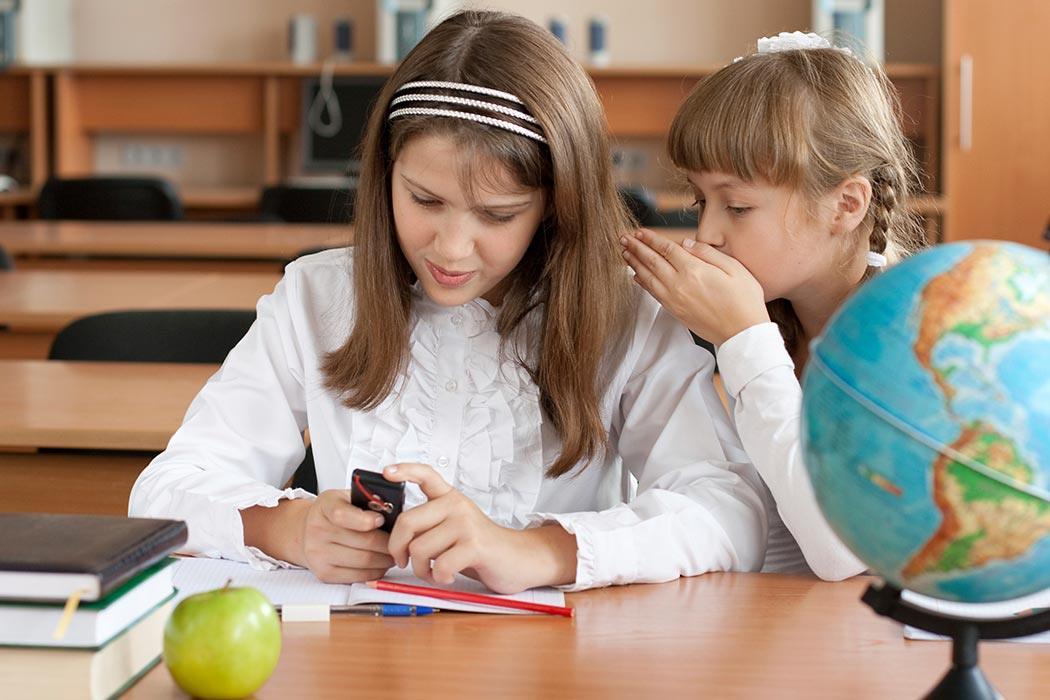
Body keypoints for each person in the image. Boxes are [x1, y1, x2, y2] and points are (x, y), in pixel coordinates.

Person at [129, 11, 768, 594]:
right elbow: (162, 493)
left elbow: (729, 510)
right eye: (425, 200)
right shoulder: (316, 298)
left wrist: (535, 551)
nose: (453, 249)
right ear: (385, 175)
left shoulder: (625, 316)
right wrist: (286, 528)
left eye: (498, 214)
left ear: (555, 208)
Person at [622, 32, 926, 580]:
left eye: (736, 206)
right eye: (700, 200)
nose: (707, 232)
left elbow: (839, 554)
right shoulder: (776, 316)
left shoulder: (906, 340)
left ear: (846, 205)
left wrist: (744, 340)